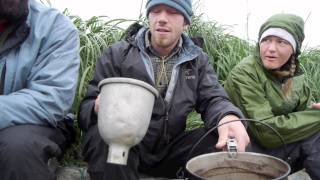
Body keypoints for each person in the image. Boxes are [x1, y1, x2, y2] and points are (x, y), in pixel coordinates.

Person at [78, 0, 249, 179]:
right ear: (148, 16)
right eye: (156, 11)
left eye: (172, 12)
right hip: (125, 147)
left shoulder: (198, 61)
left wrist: (227, 117)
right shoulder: (118, 54)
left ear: (185, 23)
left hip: (171, 150)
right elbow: (85, 110)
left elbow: (213, 98)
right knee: (103, 137)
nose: (162, 19)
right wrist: (98, 106)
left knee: (217, 139)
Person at [224, 13, 320, 179]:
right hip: (248, 146)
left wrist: (314, 112)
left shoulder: (295, 74)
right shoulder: (245, 72)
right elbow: (266, 132)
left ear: (294, 49)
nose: (271, 48)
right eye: (266, 40)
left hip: (282, 144)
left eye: (281, 42)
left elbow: (303, 117)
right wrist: (316, 117)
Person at [0, 0, 80, 179]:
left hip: (40, 121)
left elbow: (52, 99)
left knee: (17, 148)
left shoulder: (56, 27)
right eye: (155, 11)